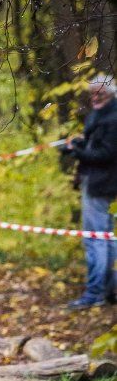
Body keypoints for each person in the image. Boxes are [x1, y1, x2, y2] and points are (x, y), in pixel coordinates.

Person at [63, 74, 117, 309]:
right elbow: (94, 143)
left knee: (96, 238)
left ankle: (95, 293)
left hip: (101, 185)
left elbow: (107, 154)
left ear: (111, 94)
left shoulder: (113, 118)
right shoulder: (99, 114)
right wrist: (77, 146)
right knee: (106, 238)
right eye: (92, 93)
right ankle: (109, 289)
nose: (95, 98)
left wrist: (79, 153)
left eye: (100, 94)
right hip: (96, 181)